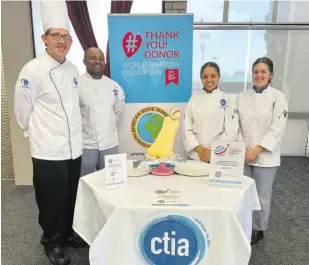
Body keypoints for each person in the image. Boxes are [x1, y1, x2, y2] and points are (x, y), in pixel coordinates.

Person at [14, 1, 87, 265]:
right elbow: (22, 109)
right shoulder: (32, 70)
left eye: (66, 37)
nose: (62, 41)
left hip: (73, 148)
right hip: (47, 149)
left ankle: (66, 234)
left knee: (70, 196)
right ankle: (52, 243)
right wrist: (32, 132)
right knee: (50, 200)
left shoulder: (72, 70)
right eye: (56, 35)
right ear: (44, 38)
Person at [237, 57, 288, 245]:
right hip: (244, 154)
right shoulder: (242, 97)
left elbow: (278, 128)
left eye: (263, 72)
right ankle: (243, 224)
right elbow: (238, 125)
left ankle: (259, 228)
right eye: (256, 72)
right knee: (242, 192)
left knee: (262, 194)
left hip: (266, 156)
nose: (259, 75)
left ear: (271, 75)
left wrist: (257, 149)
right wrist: (243, 149)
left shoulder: (278, 97)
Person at [79, 47, 125, 176]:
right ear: (84, 61)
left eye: (101, 59)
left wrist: (106, 126)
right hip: (85, 143)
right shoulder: (77, 84)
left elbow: (118, 110)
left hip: (109, 142)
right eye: (93, 58)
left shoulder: (114, 86)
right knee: (85, 180)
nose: (97, 62)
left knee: (110, 180)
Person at [183, 62, 239, 162]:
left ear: (219, 77)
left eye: (213, 76)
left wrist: (212, 151)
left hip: (219, 155)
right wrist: (200, 151)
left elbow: (231, 130)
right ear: (201, 78)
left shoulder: (227, 99)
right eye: (205, 77)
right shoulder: (194, 99)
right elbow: (186, 128)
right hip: (196, 155)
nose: (209, 80)